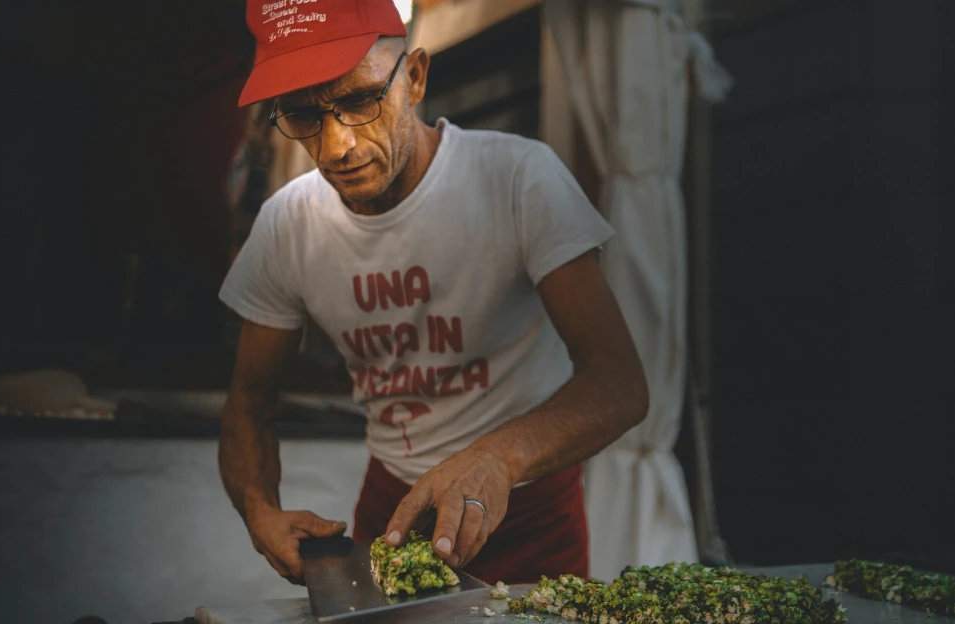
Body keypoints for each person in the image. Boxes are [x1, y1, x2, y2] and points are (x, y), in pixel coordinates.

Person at [217, 0, 648, 586]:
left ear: (414, 78)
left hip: (528, 515)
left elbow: (619, 382)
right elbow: (248, 400)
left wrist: (497, 457)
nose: (337, 146)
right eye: (302, 115)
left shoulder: (518, 178)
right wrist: (258, 510)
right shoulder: (286, 226)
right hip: (395, 514)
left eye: (360, 100)